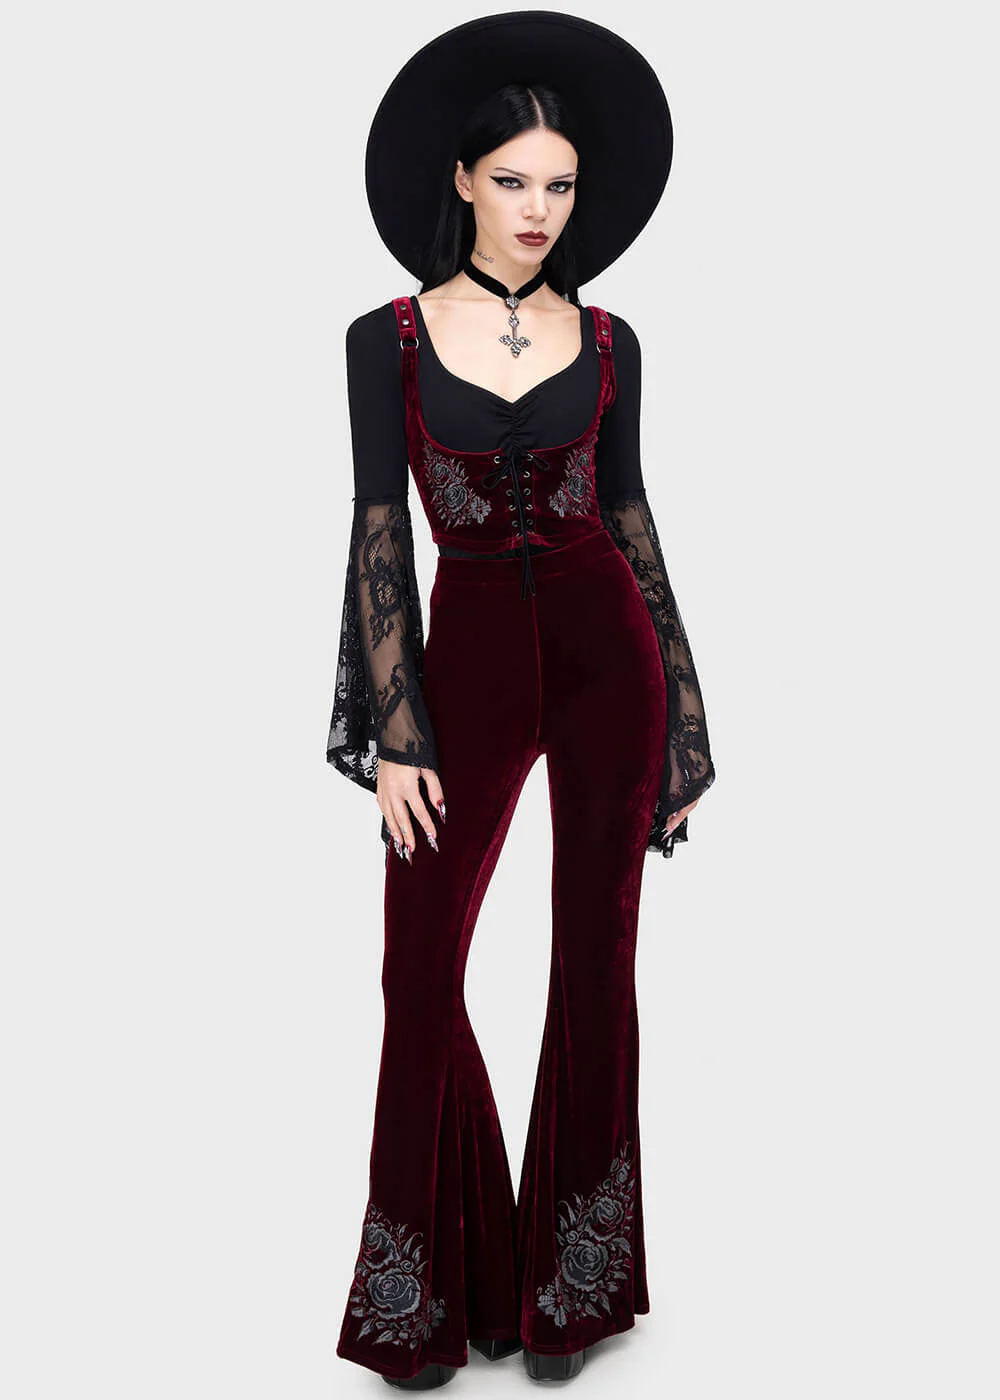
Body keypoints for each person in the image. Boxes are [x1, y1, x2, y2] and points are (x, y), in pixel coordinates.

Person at [325, 13, 716, 1390]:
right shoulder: (383, 338)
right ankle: (432, 1293)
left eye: (559, 184)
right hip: (469, 657)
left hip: (611, 659)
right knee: (418, 966)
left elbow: (633, 521)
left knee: (596, 963)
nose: (539, 209)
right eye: (512, 181)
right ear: (462, 180)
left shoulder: (609, 339)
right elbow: (380, 529)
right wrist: (397, 733)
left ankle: (574, 1292)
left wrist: (682, 722)